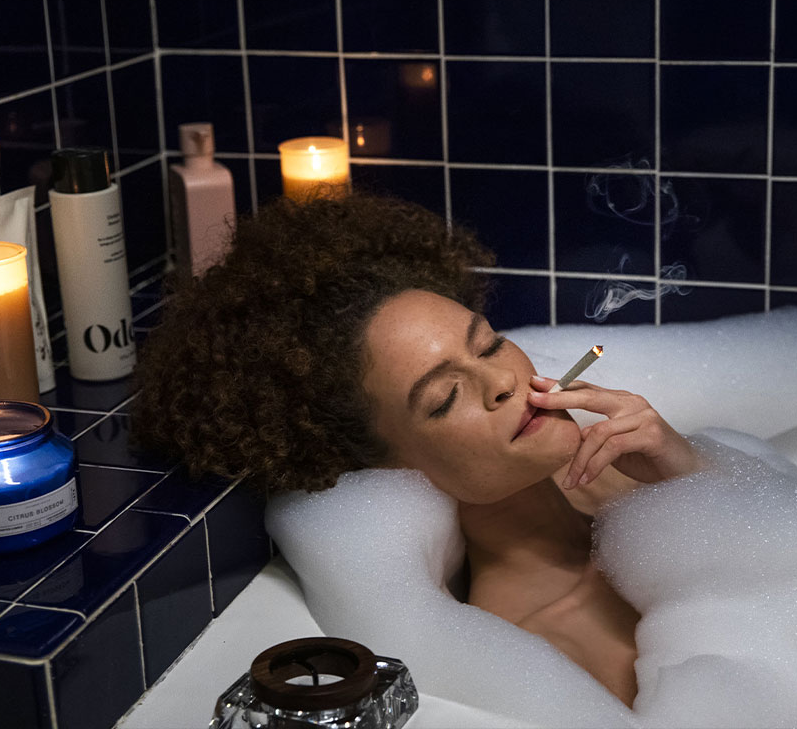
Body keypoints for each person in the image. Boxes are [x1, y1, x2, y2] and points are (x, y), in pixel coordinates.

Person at [134, 193, 703, 706]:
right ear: (392, 467)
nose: (501, 383)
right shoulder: (543, 644)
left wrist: (687, 473)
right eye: (445, 397)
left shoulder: (642, 474)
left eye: (490, 345)